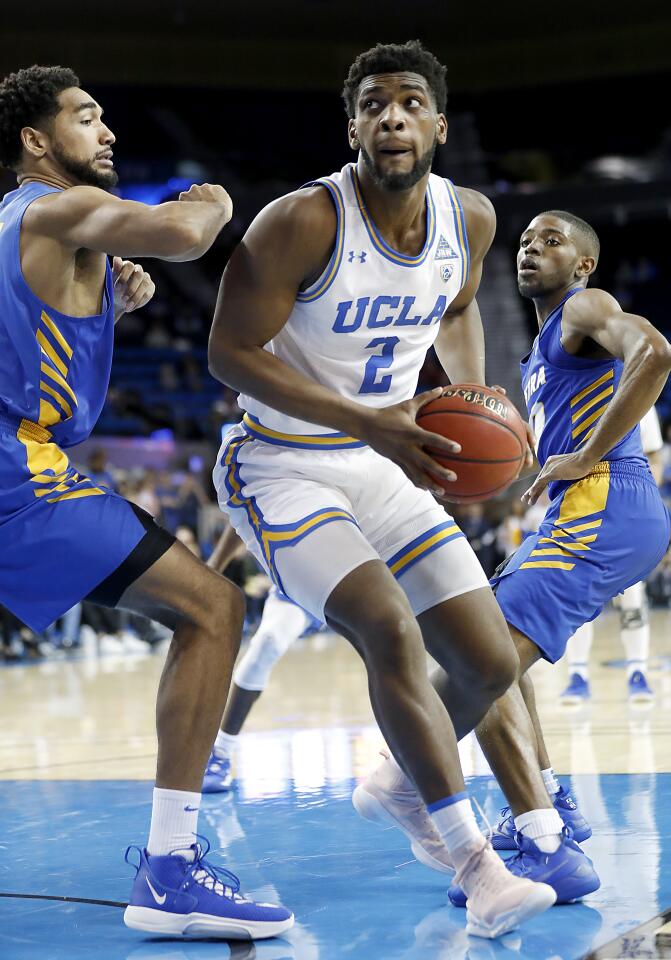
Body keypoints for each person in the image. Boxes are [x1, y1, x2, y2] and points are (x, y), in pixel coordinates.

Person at [208, 40, 556, 939]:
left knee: (486, 660)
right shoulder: (298, 222)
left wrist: (473, 402)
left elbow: (455, 303)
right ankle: (477, 867)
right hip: (280, 463)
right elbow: (226, 355)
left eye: (409, 103)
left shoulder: (468, 219)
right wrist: (367, 421)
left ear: (438, 124)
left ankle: (402, 786)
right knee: (387, 628)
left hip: (384, 457)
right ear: (352, 123)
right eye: (373, 104)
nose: (391, 117)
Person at [0, 65, 292, 940]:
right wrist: (210, 198)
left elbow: (29, 335)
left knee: (208, 607)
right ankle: (170, 869)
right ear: (36, 142)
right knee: (212, 607)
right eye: (87, 119)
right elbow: (182, 234)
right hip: (18, 472)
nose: (108, 132)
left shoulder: (20, 227)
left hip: (22, 458)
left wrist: (99, 308)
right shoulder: (52, 207)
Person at [360, 209, 671, 908]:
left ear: (583, 265)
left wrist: (586, 452)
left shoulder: (586, 306)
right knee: (491, 649)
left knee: (480, 655)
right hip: (578, 508)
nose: (532, 250)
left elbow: (653, 351)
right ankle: (549, 805)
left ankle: (418, 785)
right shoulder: (537, 355)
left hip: (606, 500)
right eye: (526, 242)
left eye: (551, 242)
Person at [561, 404, 664, 703]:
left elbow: (655, 455)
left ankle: (638, 672)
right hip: (579, 508)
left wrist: (644, 499)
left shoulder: (640, 393)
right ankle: (577, 675)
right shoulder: (569, 391)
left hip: (626, 506)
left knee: (632, 597)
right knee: (579, 598)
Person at [201, 525, 315, 794]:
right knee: (268, 642)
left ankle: (408, 758)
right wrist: (214, 565)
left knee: (392, 647)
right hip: (296, 583)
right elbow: (239, 514)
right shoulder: (256, 484)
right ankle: (222, 752)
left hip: (356, 572)